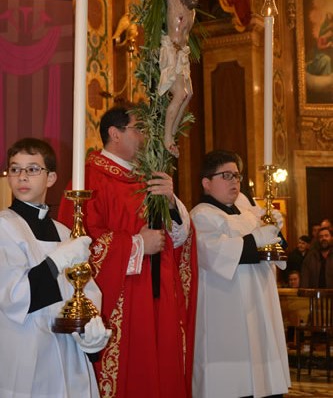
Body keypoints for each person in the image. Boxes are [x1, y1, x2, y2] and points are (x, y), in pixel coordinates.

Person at [58, 102, 198, 398]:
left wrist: (171, 204)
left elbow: (180, 238)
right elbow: (76, 246)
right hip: (123, 297)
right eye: (140, 129)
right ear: (115, 133)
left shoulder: (149, 178)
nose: (147, 137)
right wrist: (136, 244)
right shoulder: (88, 180)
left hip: (159, 295)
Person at [0, 138, 111, 398]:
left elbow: (87, 293)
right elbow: (14, 297)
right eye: (15, 169)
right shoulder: (4, 226)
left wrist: (88, 335)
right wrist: (56, 261)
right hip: (26, 352)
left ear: (51, 178)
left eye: (32, 169)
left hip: (68, 354)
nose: (22, 177)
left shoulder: (64, 233)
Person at [190, 149, 290, 398]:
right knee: (232, 385)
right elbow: (221, 255)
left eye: (237, 175)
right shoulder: (201, 216)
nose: (235, 181)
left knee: (264, 383)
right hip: (225, 315)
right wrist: (258, 238)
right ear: (206, 182)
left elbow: (279, 251)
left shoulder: (248, 215)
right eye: (226, 175)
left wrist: (277, 231)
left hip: (259, 311)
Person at [128, 0, 211, 157]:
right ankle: (167, 138)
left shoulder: (192, 13)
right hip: (169, 52)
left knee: (190, 94)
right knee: (181, 94)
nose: (195, 0)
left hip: (181, 54)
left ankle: (171, 132)